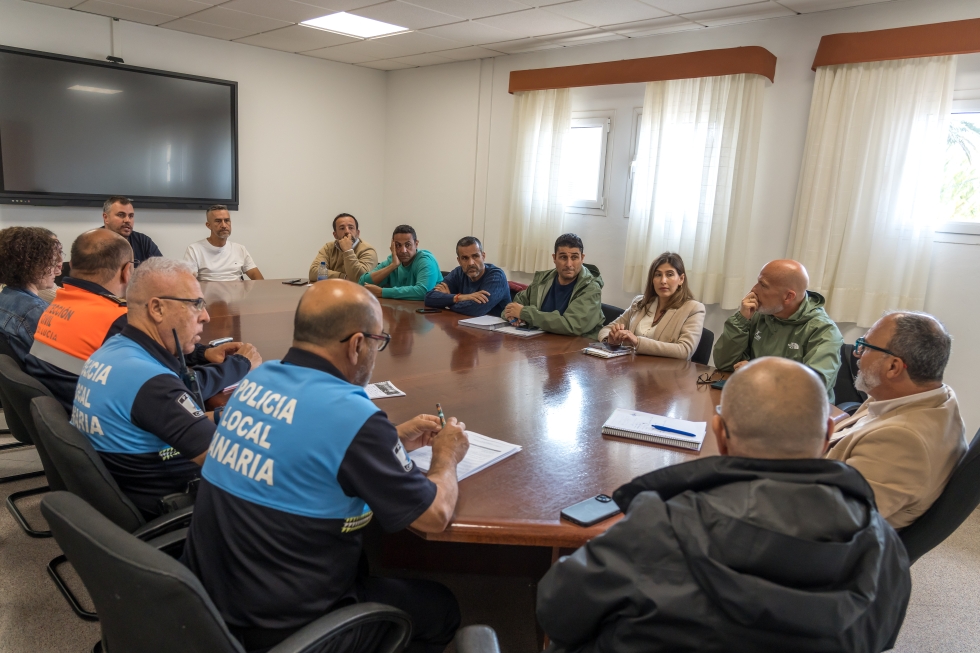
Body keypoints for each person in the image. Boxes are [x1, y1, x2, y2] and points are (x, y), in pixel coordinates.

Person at [537, 357, 910, 653]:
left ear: (720, 433)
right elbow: (881, 634)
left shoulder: (657, 528)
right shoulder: (884, 545)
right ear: (828, 434)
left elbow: (557, 610)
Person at [182, 279, 468, 653]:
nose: (376, 351)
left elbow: (298, 442)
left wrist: (392, 438)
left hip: (208, 600)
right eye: (378, 341)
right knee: (442, 607)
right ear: (357, 345)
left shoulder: (258, 380)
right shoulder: (353, 415)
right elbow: (434, 515)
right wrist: (446, 455)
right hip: (281, 627)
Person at [70, 258, 261, 517]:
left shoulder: (115, 351)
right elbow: (233, 461)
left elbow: (168, 418)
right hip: (178, 507)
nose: (205, 316)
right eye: (196, 304)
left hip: (128, 493)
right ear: (157, 308)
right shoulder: (151, 383)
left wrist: (222, 416)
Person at [27, 230, 255, 412]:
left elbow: (154, 348)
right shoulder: (115, 319)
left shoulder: (58, 303)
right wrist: (239, 365)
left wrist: (203, 353)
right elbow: (176, 389)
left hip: (63, 414)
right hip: (110, 424)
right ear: (128, 271)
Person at [827, 312, 966, 529]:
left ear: (893, 367)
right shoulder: (922, 396)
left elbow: (833, 517)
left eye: (865, 346)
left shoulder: (904, 441)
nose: (857, 354)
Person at [713, 259, 843, 400]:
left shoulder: (824, 331)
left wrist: (759, 373)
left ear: (788, 296)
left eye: (763, 285)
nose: (753, 290)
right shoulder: (759, 314)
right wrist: (741, 320)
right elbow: (724, 363)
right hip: (755, 399)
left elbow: (812, 388)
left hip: (800, 413)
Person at [596, 252, 705, 359]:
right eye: (658, 275)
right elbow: (606, 330)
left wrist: (637, 342)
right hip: (631, 369)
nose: (663, 281)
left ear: (681, 279)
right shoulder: (640, 302)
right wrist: (611, 340)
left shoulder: (694, 309)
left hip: (666, 373)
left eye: (670, 274)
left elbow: (685, 350)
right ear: (652, 280)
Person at [503, 233, 604, 338]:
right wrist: (511, 315)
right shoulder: (543, 280)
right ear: (554, 258)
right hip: (542, 345)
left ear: (582, 258)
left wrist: (525, 314)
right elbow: (514, 306)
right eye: (563, 257)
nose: (569, 264)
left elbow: (571, 325)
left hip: (578, 347)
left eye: (574, 257)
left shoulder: (591, 288)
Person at [0, 227, 62, 365]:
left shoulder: (4, 297)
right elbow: (55, 366)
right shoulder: (36, 311)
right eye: (52, 259)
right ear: (30, 264)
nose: (58, 267)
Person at [424, 237, 509, 317]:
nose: (471, 263)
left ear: (483, 256)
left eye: (475, 256)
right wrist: (461, 297)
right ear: (459, 261)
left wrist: (447, 301)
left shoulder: (496, 276)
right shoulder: (458, 273)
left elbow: (475, 309)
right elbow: (429, 298)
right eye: (465, 258)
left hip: (495, 330)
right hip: (464, 325)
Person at [358, 225, 440, 301]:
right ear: (392, 246)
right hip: (402, 310)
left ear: (416, 244)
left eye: (408, 245)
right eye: (398, 245)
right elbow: (362, 284)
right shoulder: (393, 260)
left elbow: (424, 292)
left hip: (431, 313)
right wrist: (392, 266)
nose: (403, 250)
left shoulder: (425, 260)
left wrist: (382, 292)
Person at [183, 205, 264, 282]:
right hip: (208, 295)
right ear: (208, 225)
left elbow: (256, 276)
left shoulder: (239, 249)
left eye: (227, 220)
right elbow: (187, 281)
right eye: (218, 221)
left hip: (236, 294)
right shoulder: (194, 249)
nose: (224, 225)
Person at [308, 213, 378, 282]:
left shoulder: (368, 250)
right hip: (332, 290)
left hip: (358, 292)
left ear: (357, 233)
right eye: (342, 228)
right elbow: (313, 272)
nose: (347, 231)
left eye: (351, 227)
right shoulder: (328, 247)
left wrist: (348, 251)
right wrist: (343, 277)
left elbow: (360, 279)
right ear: (335, 235)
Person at [102, 196, 163, 266]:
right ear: (106, 217)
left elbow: (162, 271)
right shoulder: (92, 243)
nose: (127, 220)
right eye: (121, 215)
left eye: (131, 216)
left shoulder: (144, 242)